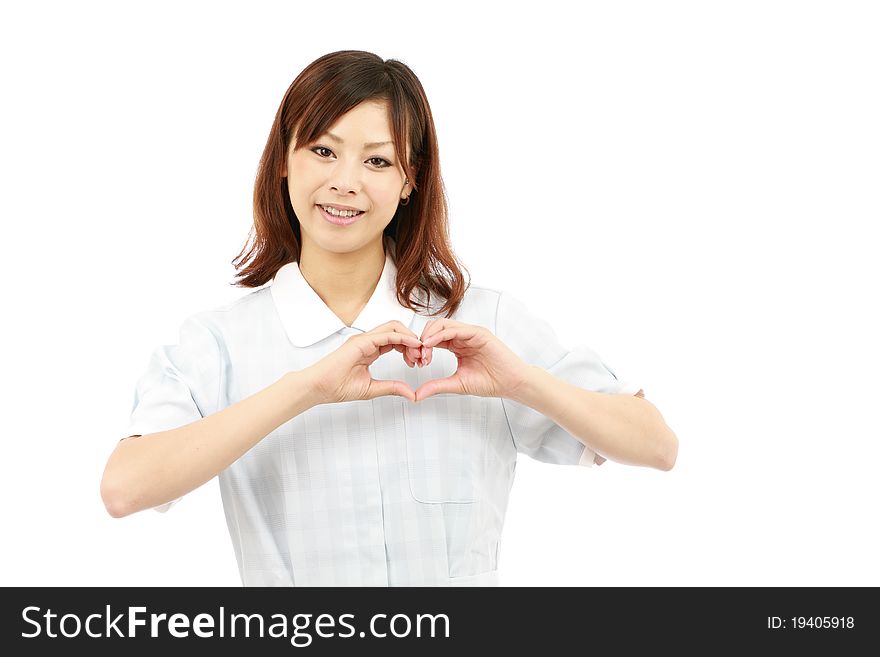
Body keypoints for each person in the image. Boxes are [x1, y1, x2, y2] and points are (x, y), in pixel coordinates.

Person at [100, 50, 678, 587]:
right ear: (284, 160)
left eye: (377, 160)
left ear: (409, 181)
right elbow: (124, 489)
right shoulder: (220, 343)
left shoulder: (481, 323)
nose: (346, 182)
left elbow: (656, 445)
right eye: (323, 151)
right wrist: (304, 389)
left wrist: (522, 382)